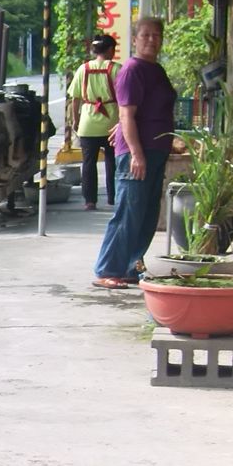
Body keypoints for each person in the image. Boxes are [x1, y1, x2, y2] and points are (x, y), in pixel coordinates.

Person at [91, 17, 176, 290]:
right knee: (128, 213)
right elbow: (126, 114)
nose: (151, 39)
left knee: (147, 214)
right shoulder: (132, 69)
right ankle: (108, 269)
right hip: (137, 153)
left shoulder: (156, 70)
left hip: (156, 150)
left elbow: (146, 109)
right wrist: (137, 154)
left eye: (156, 35)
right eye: (146, 35)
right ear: (135, 39)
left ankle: (130, 266)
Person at [68, 35, 120, 210]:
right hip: (112, 123)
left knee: (89, 163)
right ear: (110, 50)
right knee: (113, 162)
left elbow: (75, 98)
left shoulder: (83, 69)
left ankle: (90, 201)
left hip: (88, 123)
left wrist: (75, 120)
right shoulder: (116, 69)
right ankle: (113, 198)